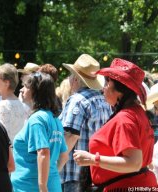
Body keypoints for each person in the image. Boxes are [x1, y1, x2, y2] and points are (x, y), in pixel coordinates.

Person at [73, 58, 157, 191]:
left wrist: (92, 159)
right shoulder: (136, 113)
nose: (103, 88)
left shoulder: (125, 118)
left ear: (119, 90)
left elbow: (134, 163)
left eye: (107, 82)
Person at [59, 54, 112, 192]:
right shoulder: (104, 100)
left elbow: (70, 136)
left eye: (70, 75)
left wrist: (55, 166)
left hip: (74, 175)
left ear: (75, 79)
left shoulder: (77, 100)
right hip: (96, 172)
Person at [11, 72, 68, 192]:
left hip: (30, 187)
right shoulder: (54, 119)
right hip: (52, 185)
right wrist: (51, 175)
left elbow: (43, 152)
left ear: (35, 92)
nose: (21, 89)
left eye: (26, 86)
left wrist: (42, 187)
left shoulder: (37, 119)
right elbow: (64, 155)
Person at [0, 63, 28, 142]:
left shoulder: (4, 104)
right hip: (16, 150)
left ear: (7, 83)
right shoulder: (20, 104)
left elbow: (2, 134)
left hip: (6, 151)